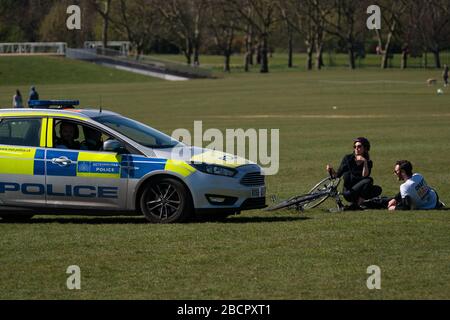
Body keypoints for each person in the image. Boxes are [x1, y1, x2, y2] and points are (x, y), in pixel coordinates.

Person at [327, 137, 382, 210]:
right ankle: (358, 204)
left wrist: (365, 162)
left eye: (359, 146)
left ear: (365, 148)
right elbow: (337, 175)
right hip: (349, 192)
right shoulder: (348, 158)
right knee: (369, 180)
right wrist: (331, 170)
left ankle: (357, 203)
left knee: (377, 189)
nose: (356, 148)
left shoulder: (368, 162)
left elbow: (364, 175)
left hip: (359, 191)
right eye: (355, 147)